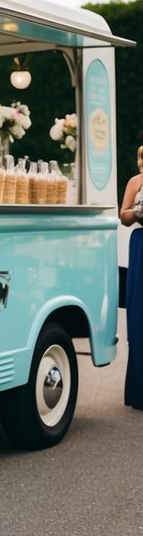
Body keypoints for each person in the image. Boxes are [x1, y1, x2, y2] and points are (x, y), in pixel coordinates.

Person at [119, 144, 143, 411]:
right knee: (139, 317)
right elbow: (123, 215)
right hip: (141, 245)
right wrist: (138, 211)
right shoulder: (135, 182)